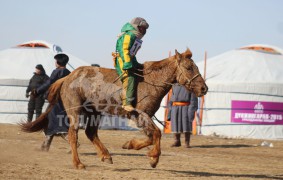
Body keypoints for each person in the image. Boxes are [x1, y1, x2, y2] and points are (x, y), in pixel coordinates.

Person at [32, 54, 71, 151]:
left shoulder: (57, 72)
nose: (55, 63)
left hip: (56, 101)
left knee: (58, 125)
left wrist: (37, 91)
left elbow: (49, 83)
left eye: (55, 61)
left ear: (58, 62)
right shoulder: (69, 72)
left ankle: (73, 143)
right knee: (51, 122)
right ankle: (45, 146)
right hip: (64, 101)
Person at [113, 17, 149, 112]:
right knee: (130, 78)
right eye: (142, 28)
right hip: (122, 60)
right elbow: (124, 50)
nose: (144, 30)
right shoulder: (129, 35)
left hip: (128, 59)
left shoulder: (134, 37)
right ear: (136, 26)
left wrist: (136, 64)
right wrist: (128, 63)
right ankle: (126, 104)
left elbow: (132, 53)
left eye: (145, 29)